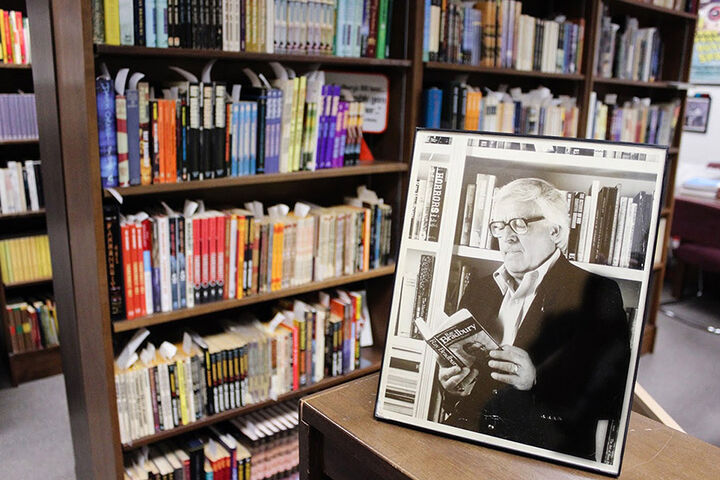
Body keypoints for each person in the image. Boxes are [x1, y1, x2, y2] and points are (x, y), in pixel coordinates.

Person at [438, 177, 631, 460]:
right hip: (468, 438)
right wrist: (450, 386)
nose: (507, 236)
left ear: (555, 231)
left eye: (520, 223)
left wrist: (537, 380)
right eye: (499, 226)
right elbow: (459, 391)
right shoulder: (481, 287)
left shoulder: (597, 292)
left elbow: (613, 396)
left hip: (542, 451)